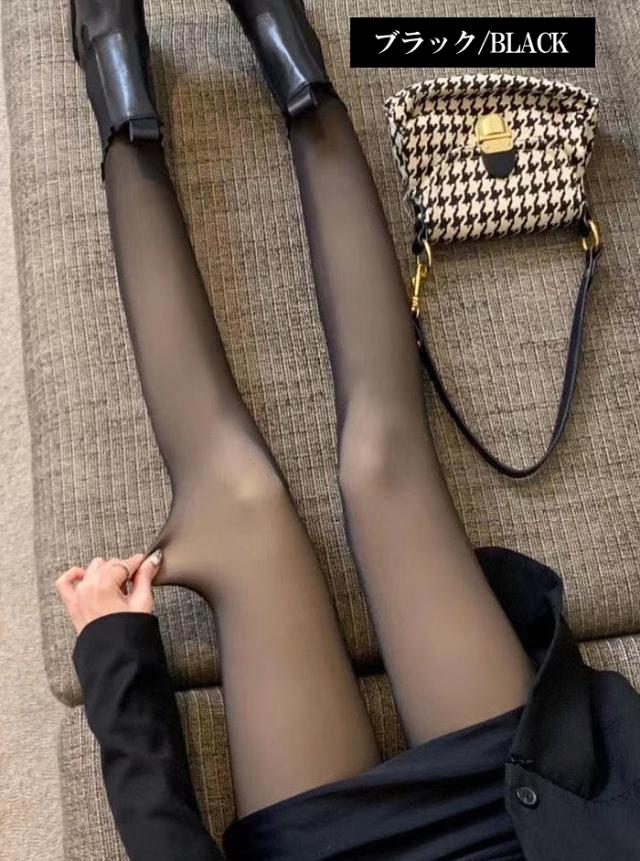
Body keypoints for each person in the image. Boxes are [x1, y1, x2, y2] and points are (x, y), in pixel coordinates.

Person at [56, 1, 640, 859]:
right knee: (346, 472)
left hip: (407, 836)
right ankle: (144, 57)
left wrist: (117, 662)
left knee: (289, 488)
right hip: (523, 808)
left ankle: (190, 57)